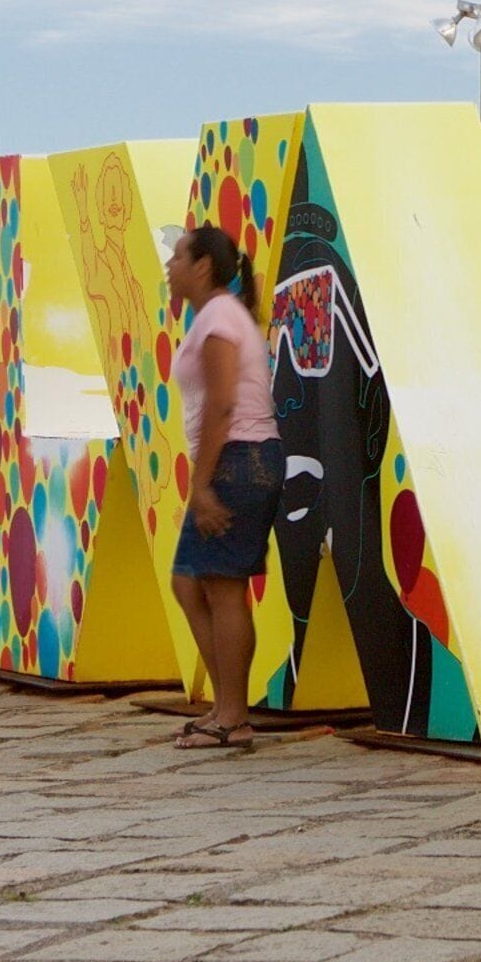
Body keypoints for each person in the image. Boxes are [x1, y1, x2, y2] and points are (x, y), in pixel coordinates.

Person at [164, 224, 280, 750]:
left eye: (178, 256)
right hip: (239, 459)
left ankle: (233, 716)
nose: (171, 265)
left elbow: (222, 404)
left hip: (239, 459)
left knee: (223, 588)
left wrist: (202, 484)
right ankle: (225, 704)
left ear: (203, 266)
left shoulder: (217, 319)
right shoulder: (214, 316)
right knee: (191, 582)